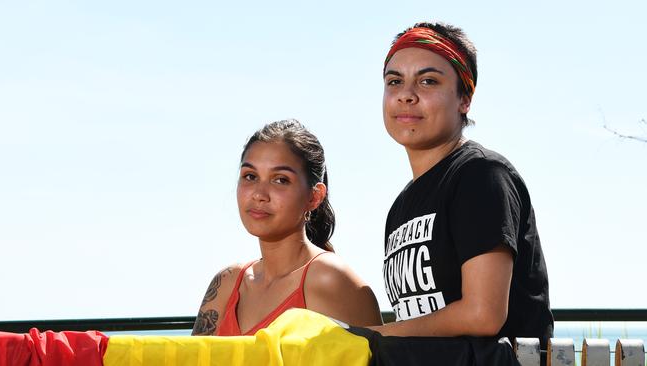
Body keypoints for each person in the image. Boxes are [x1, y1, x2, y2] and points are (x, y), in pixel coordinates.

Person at [367, 21, 553, 354]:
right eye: (394, 81)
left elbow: (483, 315)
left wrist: (372, 335)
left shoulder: (481, 175)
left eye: (427, 81)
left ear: (464, 98)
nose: (406, 95)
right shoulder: (401, 207)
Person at [192, 119, 382, 336]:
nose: (259, 194)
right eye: (250, 176)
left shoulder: (329, 279)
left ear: (314, 196)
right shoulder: (227, 282)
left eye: (280, 180)